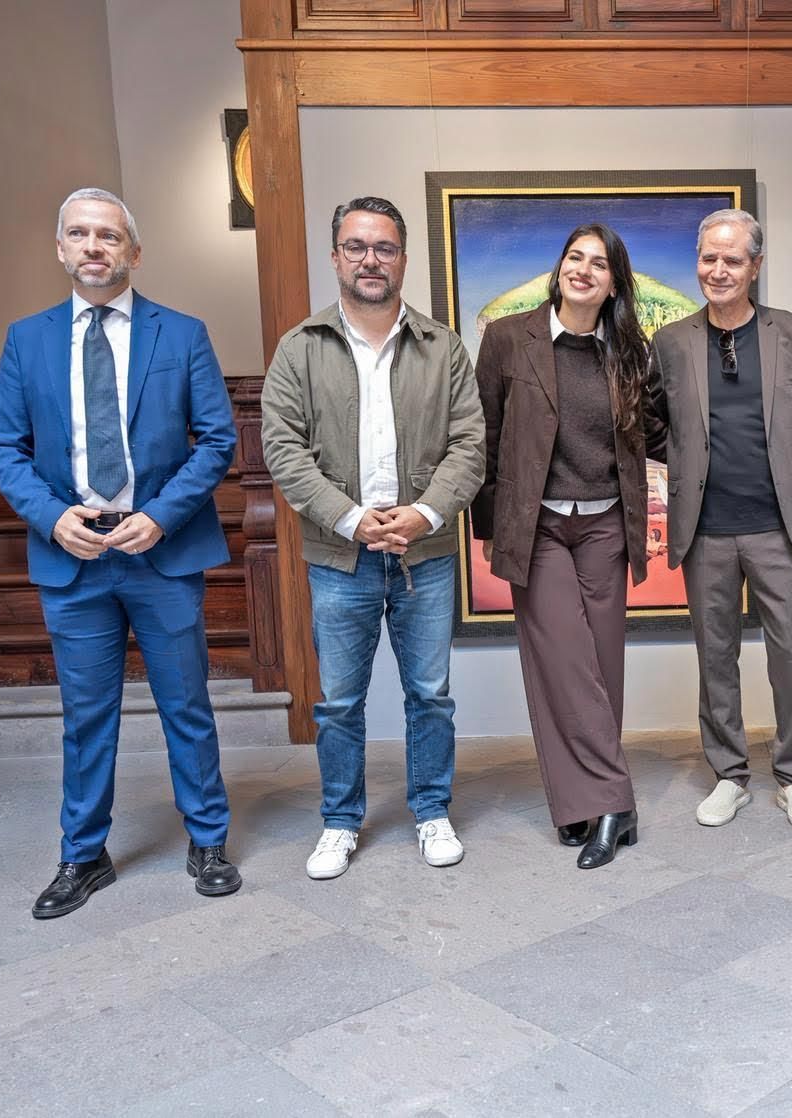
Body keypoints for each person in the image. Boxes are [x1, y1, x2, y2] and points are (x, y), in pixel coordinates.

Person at [0, 188, 241, 918]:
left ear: (133, 251)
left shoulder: (182, 334)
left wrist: (159, 517)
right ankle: (82, 855)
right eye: (79, 235)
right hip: (74, 556)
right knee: (85, 714)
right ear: (60, 249)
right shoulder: (27, 340)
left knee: (186, 703)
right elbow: (2, 444)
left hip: (159, 550)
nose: (94, 246)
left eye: (108, 235)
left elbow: (217, 439)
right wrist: (50, 516)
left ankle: (208, 840)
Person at [261, 196, 484, 879]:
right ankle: (339, 820)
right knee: (338, 703)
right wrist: (355, 520)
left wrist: (422, 514)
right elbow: (283, 449)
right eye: (355, 246)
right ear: (335, 257)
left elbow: (470, 444)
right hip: (339, 557)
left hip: (426, 553)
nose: (369, 259)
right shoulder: (300, 348)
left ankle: (431, 809)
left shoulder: (442, 346)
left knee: (430, 695)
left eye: (383, 248)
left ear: (403, 260)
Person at [472, 223, 663, 869]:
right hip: (541, 528)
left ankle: (577, 804)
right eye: (574, 258)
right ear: (559, 269)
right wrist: (490, 529)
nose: (584, 270)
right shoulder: (507, 339)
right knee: (562, 661)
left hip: (607, 525)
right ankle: (613, 802)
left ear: (614, 284)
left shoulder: (629, 351)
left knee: (602, 668)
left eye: (599, 264)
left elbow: (656, 435)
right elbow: (486, 438)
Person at [647, 209, 792, 831]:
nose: (718, 270)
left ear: (755, 266)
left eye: (732, 260)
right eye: (708, 258)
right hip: (704, 530)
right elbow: (650, 424)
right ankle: (729, 774)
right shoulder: (671, 342)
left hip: (781, 525)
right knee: (714, 657)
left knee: (791, 657)